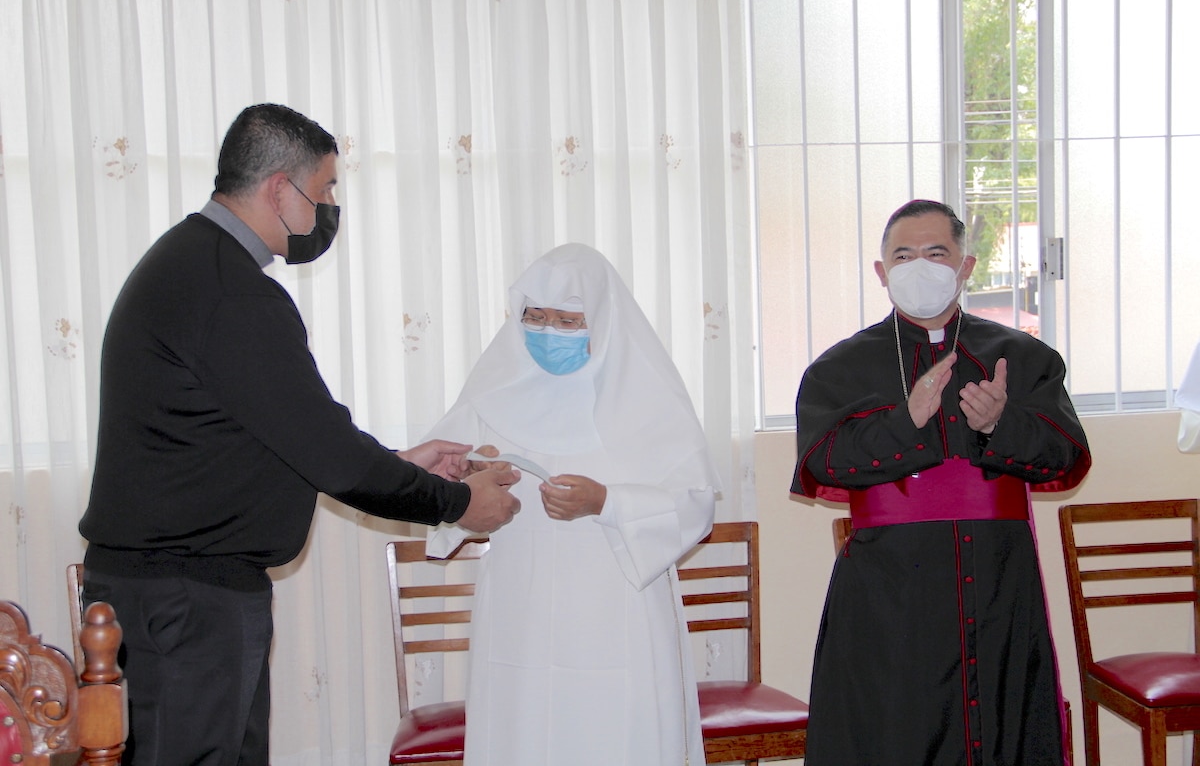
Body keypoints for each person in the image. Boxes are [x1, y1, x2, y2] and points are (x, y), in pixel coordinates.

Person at [77, 103, 521, 766]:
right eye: (325, 191)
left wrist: (401, 462)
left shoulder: (193, 264)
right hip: (187, 603)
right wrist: (458, 505)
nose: (329, 209)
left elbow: (263, 440)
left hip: (176, 595)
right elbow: (333, 456)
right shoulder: (230, 291)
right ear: (279, 189)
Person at [791, 199, 1091, 766]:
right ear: (880, 272)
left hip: (1001, 583)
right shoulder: (839, 368)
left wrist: (1000, 424)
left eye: (936, 253)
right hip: (889, 592)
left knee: (1006, 726)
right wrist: (905, 424)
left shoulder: (1023, 355)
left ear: (965, 265)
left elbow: (1066, 457)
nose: (919, 266)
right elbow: (823, 462)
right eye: (903, 256)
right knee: (891, 727)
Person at [425, 243, 718, 766]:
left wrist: (608, 502)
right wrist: (469, 480)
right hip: (521, 607)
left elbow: (693, 506)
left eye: (567, 319)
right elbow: (438, 489)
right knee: (523, 733)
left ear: (602, 321)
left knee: (618, 737)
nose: (547, 331)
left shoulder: (649, 398)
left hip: (619, 604)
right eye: (535, 317)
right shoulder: (490, 393)